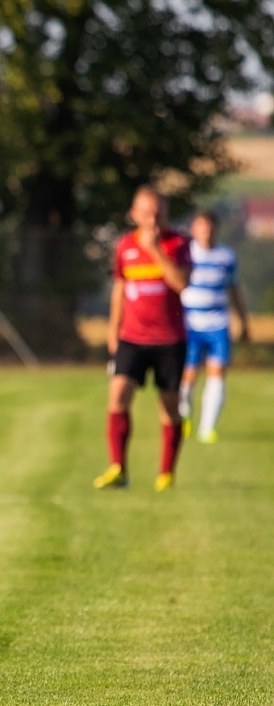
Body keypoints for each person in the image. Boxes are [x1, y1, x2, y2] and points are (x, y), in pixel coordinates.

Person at [96, 186, 191, 492]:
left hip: (169, 340)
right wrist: (113, 331)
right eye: (147, 212)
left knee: (170, 408)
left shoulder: (178, 244)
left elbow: (180, 283)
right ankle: (118, 468)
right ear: (134, 214)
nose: (152, 219)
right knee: (118, 394)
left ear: (166, 214)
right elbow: (120, 290)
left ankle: (166, 473)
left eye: (159, 212)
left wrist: (154, 251)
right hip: (132, 338)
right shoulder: (124, 246)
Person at [178, 209, 251, 444]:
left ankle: (207, 428)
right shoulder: (186, 254)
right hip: (190, 324)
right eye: (201, 226)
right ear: (193, 229)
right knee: (187, 377)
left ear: (216, 229)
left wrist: (243, 321)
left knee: (217, 374)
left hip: (218, 323)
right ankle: (185, 415)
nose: (206, 231)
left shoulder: (225, 256)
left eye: (210, 226)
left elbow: (235, 289)